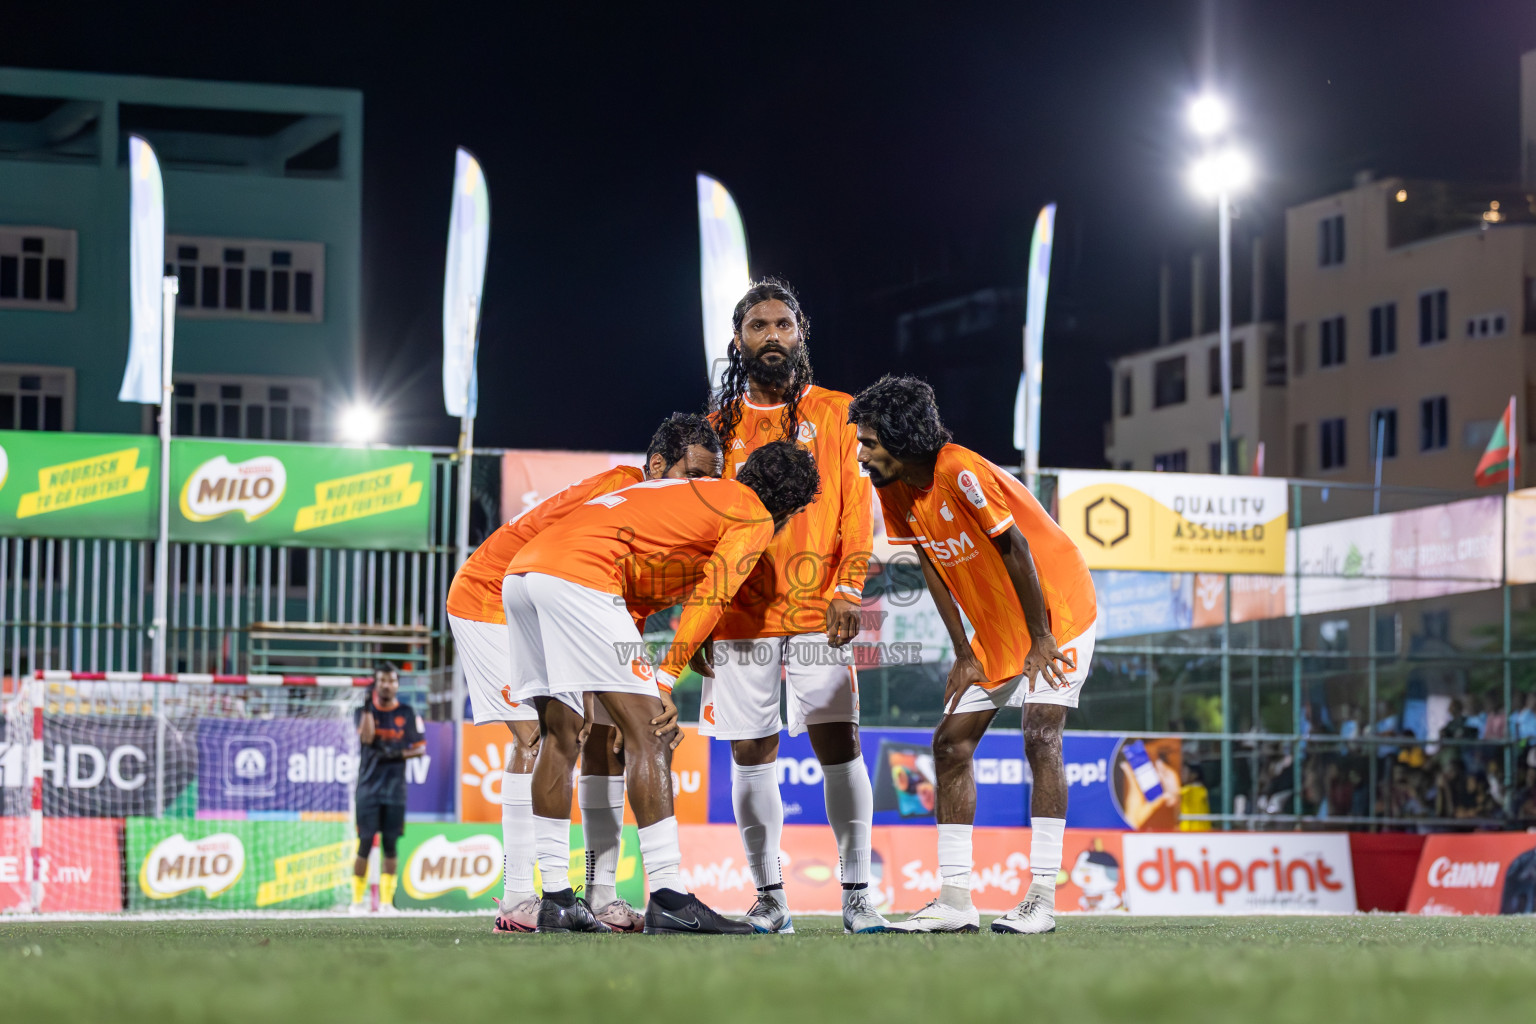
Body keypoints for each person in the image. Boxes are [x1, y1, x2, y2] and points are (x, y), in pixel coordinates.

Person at [506, 440, 821, 934]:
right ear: (791, 507)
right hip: (579, 577)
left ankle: (558, 899)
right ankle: (670, 896)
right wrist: (666, 678)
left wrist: (621, 689)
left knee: (559, 735)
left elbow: (637, 585)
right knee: (652, 732)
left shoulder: (693, 494)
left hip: (524, 574)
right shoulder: (755, 515)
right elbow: (713, 594)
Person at [446, 413, 724, 933]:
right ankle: (518, 898)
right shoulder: (622, 487)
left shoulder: (668, 525)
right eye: (694, 477)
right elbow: (558, 559)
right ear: (658, 464)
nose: (702, 492)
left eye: (712, 482)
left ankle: (599, 892)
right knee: (540, 734)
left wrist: (631, 688)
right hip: (495, 594)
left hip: (556, 603)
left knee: (601, 736)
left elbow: (621, 602)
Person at [847, 376, 1096, 936]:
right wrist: (963, 650)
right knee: (950, 742)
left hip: (1057, 609)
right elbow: (932, 562)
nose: (862, 455)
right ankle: (956, 900)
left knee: (1040, 733)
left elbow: (1016, 547)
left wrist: (1041, 638)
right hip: (997, 625)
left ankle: (1040, 901)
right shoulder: (892, 487)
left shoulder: (959, 469)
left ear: (902, 436)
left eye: (869, 443)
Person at [702, 279, 884, 935]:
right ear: (739, 341)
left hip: (819, 611)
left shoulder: (838, 412)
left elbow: (856, 516)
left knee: (841, 743)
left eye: (783, 324)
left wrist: (849, 589)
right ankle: (771, 899)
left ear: (800, 335)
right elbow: (700, 530)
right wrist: (699, 618)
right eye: (758, 326)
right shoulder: (718, 430)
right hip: (740, 615)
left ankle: (858, 894)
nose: (771, 335)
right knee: (750, 751)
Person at [351, 663, 425, 913]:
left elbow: (420, 748)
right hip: (368, 788)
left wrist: (396, 753)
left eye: (391, 680)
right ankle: (357, 901)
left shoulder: (406, 711)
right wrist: (368, 706)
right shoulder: (363, 711)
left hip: (395, 790)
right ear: (376, 683)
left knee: (390, 845)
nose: (387, 685)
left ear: (397, 684)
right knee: (364, 843)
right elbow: (367, 738)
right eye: (382, 680)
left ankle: (385, 902)